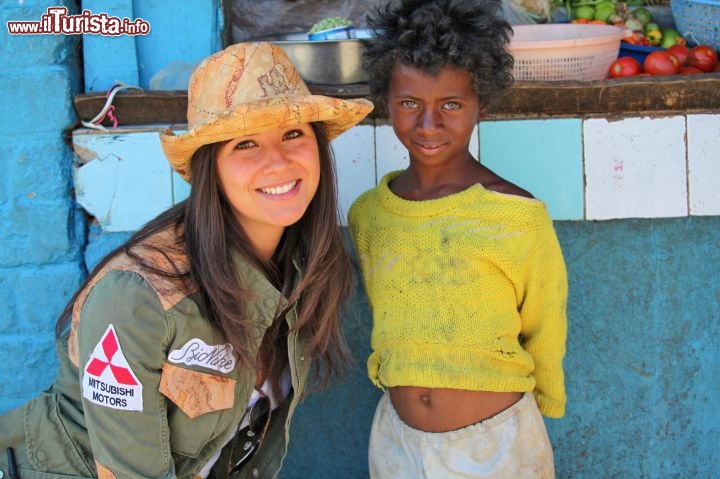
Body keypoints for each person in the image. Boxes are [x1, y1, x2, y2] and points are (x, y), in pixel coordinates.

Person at [0, 41, 373, 478]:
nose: (278, 161)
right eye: (246, 143)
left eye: (293, 134)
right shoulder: (137, 298)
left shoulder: (301, 270)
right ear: (209, 168)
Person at [347, 0, 568, 477]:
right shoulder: (369, 215)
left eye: (451, 104)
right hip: (396, 443)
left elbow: (546, 323)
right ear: (386, 101)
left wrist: (548, 400)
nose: (429, 125)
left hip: (498, 446)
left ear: (481, 103)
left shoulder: (516, 216)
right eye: (410, 104)